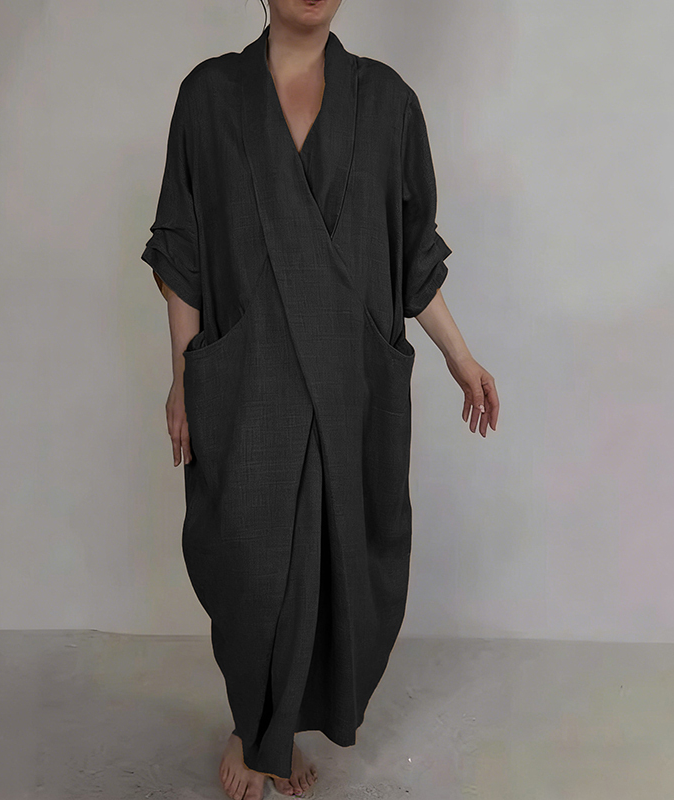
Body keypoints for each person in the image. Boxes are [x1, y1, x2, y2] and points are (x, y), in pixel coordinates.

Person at [142, 1, 500, 798]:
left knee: (341, 565)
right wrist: (183, 375)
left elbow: (412, 256)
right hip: (248, 377)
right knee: (249, 566)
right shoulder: (209, 96)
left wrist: (461, 355)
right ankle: (256, 725)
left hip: (352, 380)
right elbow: (183, 248)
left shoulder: (390, 102)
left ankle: (281, 732)